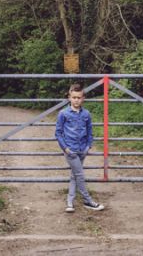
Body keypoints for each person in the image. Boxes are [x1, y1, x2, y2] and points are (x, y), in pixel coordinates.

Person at [55, 84, 105, 213]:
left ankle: (70, 202)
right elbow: (58, 133)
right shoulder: (63, 113)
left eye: (79, 97)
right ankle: (88, 200)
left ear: (83, 98)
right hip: (70, 150)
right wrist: (65, 148)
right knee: (79, 175)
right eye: (74, 97)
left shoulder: (86, 114)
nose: (76, 100)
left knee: (74, 176)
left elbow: (90, 131)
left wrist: (88, 146)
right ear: (69, 98)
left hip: (82, 149)